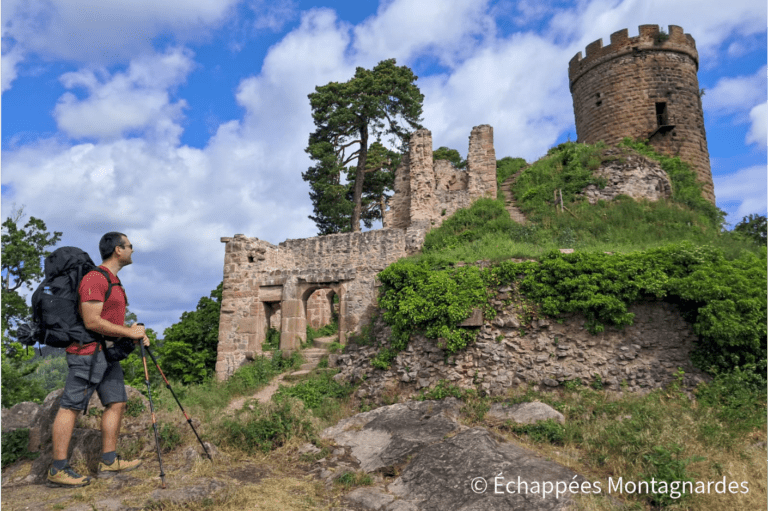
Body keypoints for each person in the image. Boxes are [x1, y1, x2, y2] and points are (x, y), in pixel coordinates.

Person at [47, 232, 150, 487]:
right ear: (118, 250)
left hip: (107, 353)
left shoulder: (113, 280)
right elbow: (92, 321)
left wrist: (133, 334)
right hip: (87, 354)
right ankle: (57, 469)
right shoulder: (95, 278)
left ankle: (109, 461)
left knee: (117, 402)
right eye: (130, 246)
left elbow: (109, 321)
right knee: (70, 406)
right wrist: (129, 332)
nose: (133, 250)